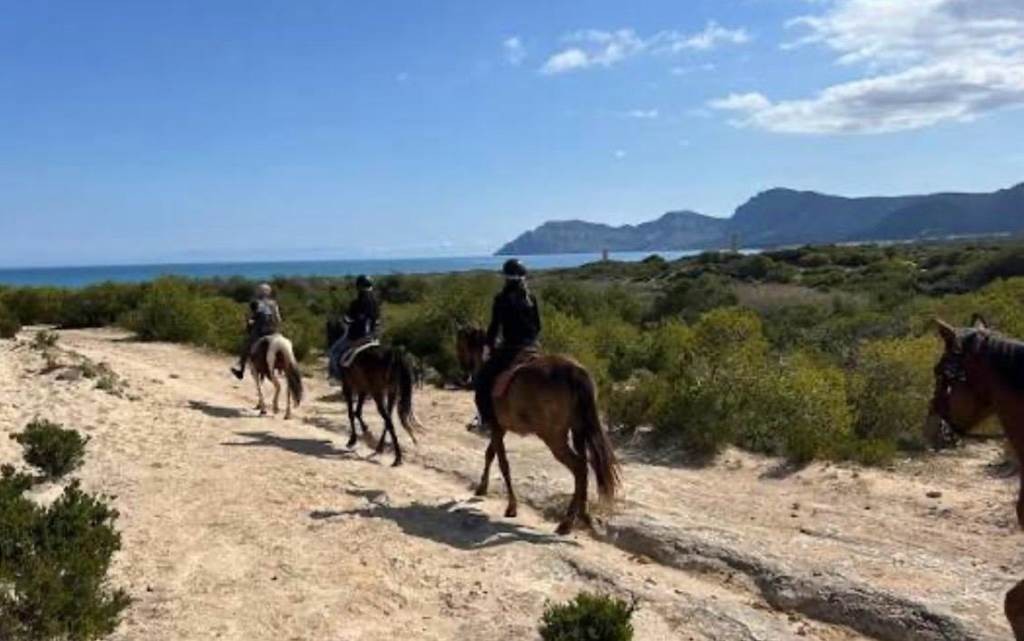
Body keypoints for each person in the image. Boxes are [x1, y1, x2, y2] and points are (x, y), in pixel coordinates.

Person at [474, 259, 541, 431]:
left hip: (511, 349)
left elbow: (494, 326)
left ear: (505, 277)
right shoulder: (531, 298)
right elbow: (538, 326)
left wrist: (488, 347)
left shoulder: (501, 298)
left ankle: (486, 422)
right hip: (532, 346)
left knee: (482, 380)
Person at [328, 275, 380, 379]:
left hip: (356, 337)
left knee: (334, 352)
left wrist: (345, 322)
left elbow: (347, 320)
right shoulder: (376, 303)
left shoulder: (356, 303)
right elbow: (377, 321)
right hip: (373, 337)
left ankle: (339, 377)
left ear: (358, 287)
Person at [231, 283, 282, 380]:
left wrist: (249, 323)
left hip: (259, 331)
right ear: (269, 292)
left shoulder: (255, 303)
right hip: (272, 330)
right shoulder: (273, 303)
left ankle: (240, 370)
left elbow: (250, 318)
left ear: (259, 292)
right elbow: (278, 319)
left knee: (246, 346)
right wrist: (277, 329)